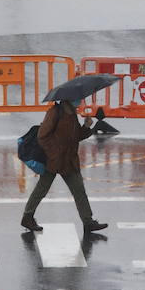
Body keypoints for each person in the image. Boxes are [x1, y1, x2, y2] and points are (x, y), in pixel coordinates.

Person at [20, 99, 107, 234]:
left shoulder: (72, 114)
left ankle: (88, 222)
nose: (79, 102)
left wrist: (86, 127)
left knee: (79, 191)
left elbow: (75, 136)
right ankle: (27, 217)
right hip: (54, 161)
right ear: (67, 99)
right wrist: (54, 153)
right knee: (41, 190)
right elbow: (42, 135)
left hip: (69, 161)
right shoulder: (55, 112)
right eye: (77, 99)